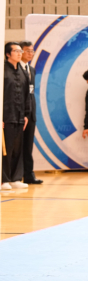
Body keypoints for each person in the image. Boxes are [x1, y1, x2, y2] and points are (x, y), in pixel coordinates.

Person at [2, 42, 30, 190]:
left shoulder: (23, 71)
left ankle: (16, 178)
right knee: (5, 148)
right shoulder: (2, 71)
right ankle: (3, 179)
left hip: (20, 117)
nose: (20, 53)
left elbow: (27, 95)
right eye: (16, 51)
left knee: (18, 148)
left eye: (21, 51)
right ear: (8, 54)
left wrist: (26, 115)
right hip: (6, 117)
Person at [19, 41, 42, 184]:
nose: (30, 54)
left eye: (32, 51)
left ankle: (28, 175)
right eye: (27, 51)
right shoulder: (13, 69)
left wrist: (30, 112)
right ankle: (13, 175)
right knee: (16, 147)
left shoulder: (31, 69)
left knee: (28, 146)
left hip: (31, 112)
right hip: (18, 113)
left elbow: (30, 92)